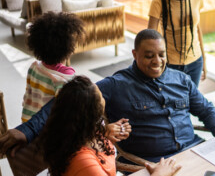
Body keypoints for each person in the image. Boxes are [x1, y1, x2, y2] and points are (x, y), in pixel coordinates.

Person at [0, 29, 215, 164]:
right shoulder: (117, 84)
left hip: (196, 151)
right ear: (134, 54)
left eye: (161, 55)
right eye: (149, 56)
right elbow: (67, 100)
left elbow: (207, 110)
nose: (157, 62)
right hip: (155, 164)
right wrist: (27, 130)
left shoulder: (181, 80)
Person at [38, 75, 181, 176]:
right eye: (101, 97)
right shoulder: (83, 162)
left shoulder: (82, 133)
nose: (104, 99)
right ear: (91, 116)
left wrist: (106, 133)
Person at [148, 0, 206, 87]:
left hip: (195, 62)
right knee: (173, 105)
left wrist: (204, 61)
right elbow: (149, 38)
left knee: (192, 103)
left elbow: (197, 30)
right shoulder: (158, 2)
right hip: (170, 65)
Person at [21, 12, 84, 122]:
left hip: (27, 123)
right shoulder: (66, 79)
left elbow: (27, 97)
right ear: (68, 49)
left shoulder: (34, 67)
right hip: (45, 132)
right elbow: (64, 114)